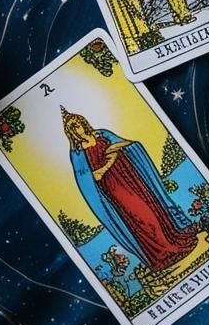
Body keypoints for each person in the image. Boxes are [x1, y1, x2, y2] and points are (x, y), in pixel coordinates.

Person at [62, 107, 197, 272]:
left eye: (78, 124)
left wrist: (113, 149)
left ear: (83, 122)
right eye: (72, 128)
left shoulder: (102, 134)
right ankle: (163, 252)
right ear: (70, 133)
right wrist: (110, 159)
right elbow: (92, 178)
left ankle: (172, 242)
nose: (77, 129)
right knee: (143, 217)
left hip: (131, 179)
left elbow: (129, 144)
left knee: (154, 210)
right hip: (113, 188)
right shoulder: (77, 153)